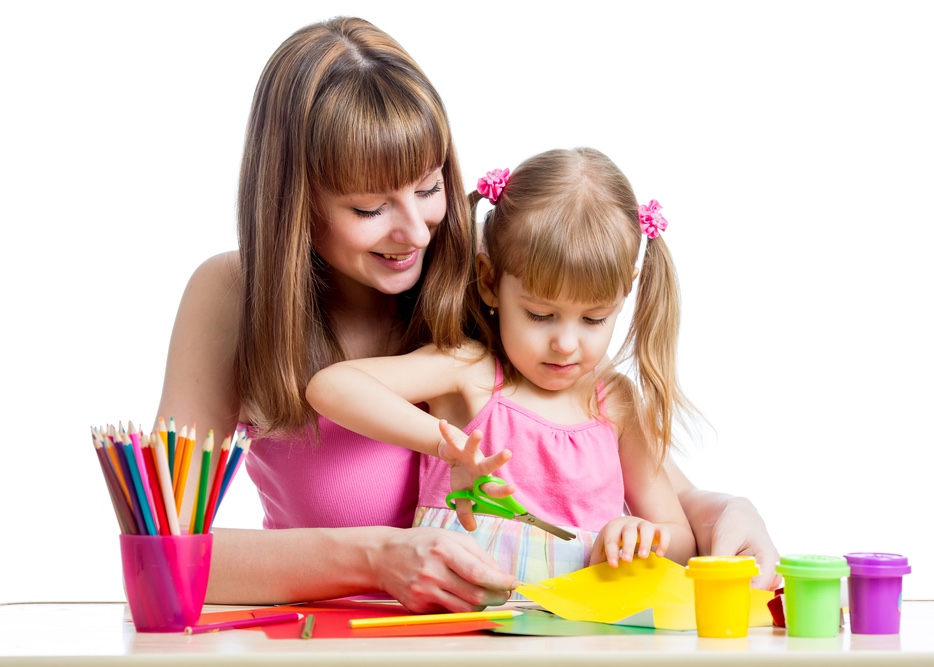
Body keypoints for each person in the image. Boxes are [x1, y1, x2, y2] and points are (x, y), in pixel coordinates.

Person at [156, 17, 779, 613]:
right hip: (329, 642)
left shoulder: (493, 289)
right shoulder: (233, 296)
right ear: (295, 203)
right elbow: (162, 557)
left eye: (428, 188)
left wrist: (730, 513)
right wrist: (375, 557)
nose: (415, 233)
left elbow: (632, 479)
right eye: (370, 208)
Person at [307, 147, 701, 585]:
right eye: (539, 315)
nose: (566, 344)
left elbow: (682, 540)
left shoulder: (614, 402)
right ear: (491, 282)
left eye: (594, 319)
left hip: (584, 643)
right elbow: (331, 387)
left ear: (625, 294)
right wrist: (447, 445)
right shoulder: (469, 372)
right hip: (459, 639)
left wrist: (642, 534)